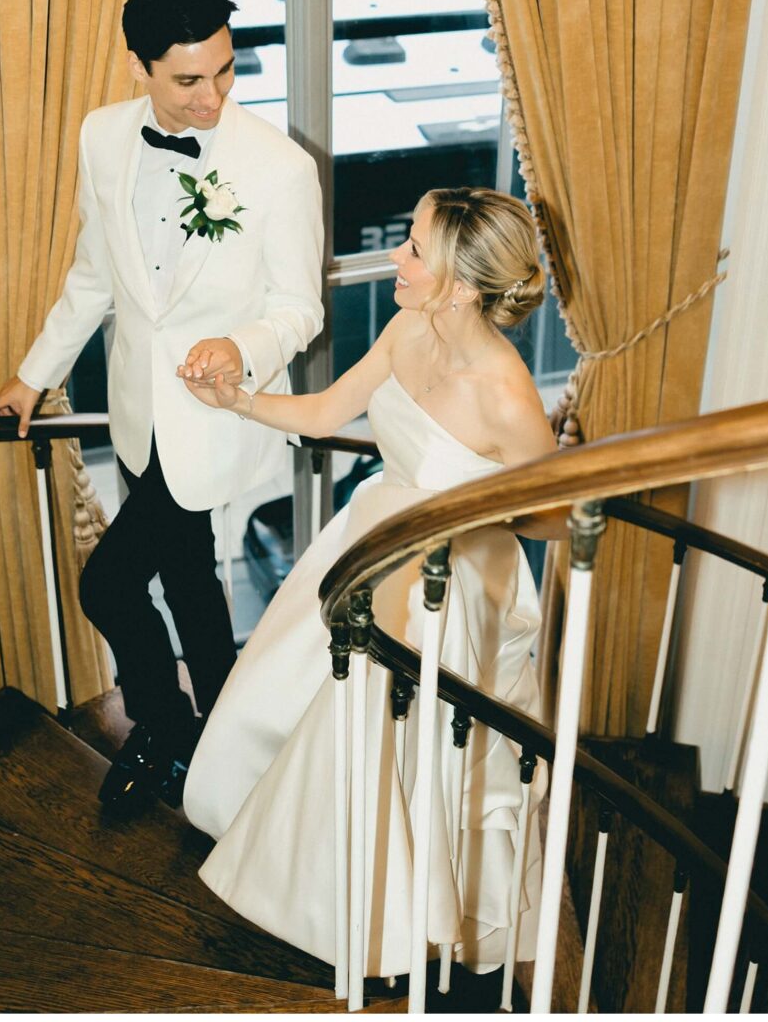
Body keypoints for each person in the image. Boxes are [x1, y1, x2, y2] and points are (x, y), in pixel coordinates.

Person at [179, 186, 560, 980]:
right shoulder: (405, 327)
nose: (396, 256)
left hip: (445, 580)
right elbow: (325, 414)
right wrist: (236, 400)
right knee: (296, 687)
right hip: (369, 538)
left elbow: (553, 519)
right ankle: (290, 858)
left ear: (460, 285)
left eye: (415, 249)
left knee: (374, 724)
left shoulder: (510, 396)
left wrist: (473, 515)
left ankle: (367, 915)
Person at [0, 0, 324, 809]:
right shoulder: (102, 137)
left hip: (212, 418)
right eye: (186, 80)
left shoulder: (279, 169)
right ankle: (224, 738)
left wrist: (239, 346)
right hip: (142, 415)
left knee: (104, 585)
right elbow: (94, 276)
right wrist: (35, 375)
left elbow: (299, 309)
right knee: (189, 582)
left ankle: (165, 731)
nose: (212, 97)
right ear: (138, 64)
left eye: (225, 70)